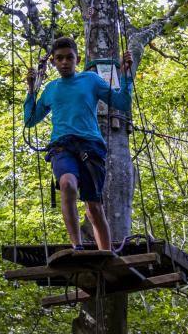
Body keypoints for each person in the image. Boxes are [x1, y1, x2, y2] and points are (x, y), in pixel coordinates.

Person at [24, 37, 133, 251]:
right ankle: (77, 246)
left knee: (94, 208)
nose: (64, 62)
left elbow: (121, 102)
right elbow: (30, 120)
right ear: (53, 62)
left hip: (90, 147)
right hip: (62, 146)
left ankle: (106, 253)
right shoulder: (51, 89)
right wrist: (31, 89)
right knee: (67, 184)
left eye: (69, 57)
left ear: (78, 59)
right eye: (59, 58)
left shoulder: (90, 80)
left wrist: (125, 75)